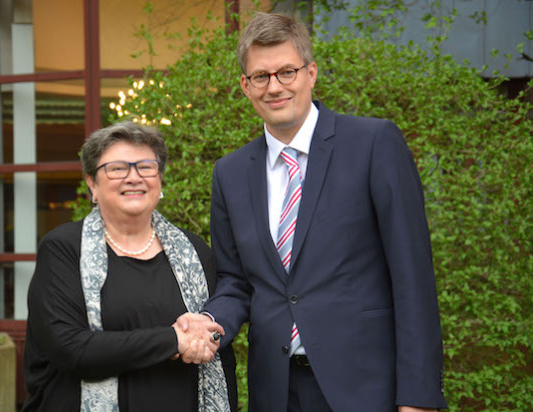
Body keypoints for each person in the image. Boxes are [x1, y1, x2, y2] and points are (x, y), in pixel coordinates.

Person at [178, 11, 448, 412]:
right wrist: (208, 321)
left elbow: (412, 277)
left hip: (366, 389)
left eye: (287, 72)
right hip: (276, 391)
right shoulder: (230, 173)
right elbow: (236, 282)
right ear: (245, 86)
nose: (275, 87)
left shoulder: (373, 144)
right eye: (261, 77)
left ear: (311, 73)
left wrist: (418, 396)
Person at [22, 122, 236, 412]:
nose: (133, 177)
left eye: (146, 167)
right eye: (118, 168)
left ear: (159, 179)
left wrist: (202, 338)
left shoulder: (194, 251)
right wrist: (172, 340)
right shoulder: (63, 250)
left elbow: (214, 346)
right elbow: (71, 349)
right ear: (92, 183)